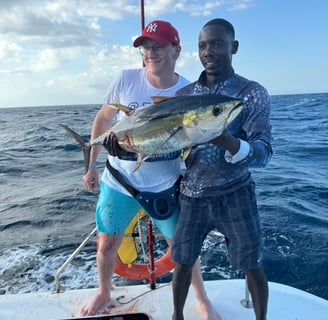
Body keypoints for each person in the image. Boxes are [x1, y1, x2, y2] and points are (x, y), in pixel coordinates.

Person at [80, 20, 221, 320]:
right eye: (146, 47)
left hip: (165, 183)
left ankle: (202, 299)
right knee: (107, 244)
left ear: (176, 50)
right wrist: (91, 162)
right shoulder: (125, 79)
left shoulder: (189, 91)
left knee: (182, 248)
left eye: (158, 46)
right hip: (120, 180)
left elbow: (194, 140)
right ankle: (104, 292)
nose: (150, 52)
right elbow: (104, 119)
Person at [171, 18, 272, 320]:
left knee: (252, 264)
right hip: (192, 195)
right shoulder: (184, 96)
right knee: (183, 262)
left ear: (234, 47)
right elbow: (169, 148)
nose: (208, 51)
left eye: (216, 43)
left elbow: (263, 153)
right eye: (202, 45)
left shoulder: (251, 93)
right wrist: (129, 147)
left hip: (236, 193)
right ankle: (177, 316)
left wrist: (229, 142)